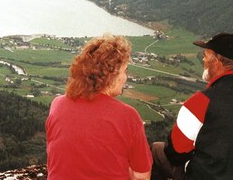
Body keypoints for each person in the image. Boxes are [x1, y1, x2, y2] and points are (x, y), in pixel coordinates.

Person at [46, 34, 152, 180]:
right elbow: (141, 176)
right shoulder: (128, 116)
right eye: (124, 71)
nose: (126, 77)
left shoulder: (57, 105)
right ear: (111, 76)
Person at [151, 32, 233, 180]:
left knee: (157, 150)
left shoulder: (201, 101)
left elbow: (175, 154)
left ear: (217, 62)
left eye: (206, 56)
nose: (203, 60)